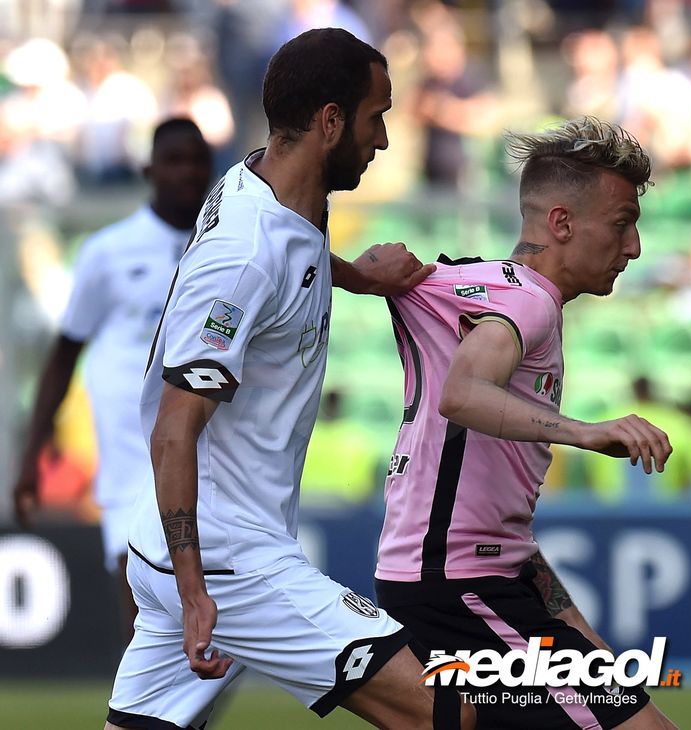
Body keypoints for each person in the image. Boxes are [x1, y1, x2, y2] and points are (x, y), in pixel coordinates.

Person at [104, 30, 473, 730]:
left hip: (174, 544)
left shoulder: (266, 183)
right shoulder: (243, 254)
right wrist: (196, 595)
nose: (386, 140)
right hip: (227, 561)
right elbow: (173, 432)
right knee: (443, 711)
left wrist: (359, 277)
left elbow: (289, 258)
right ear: (330, 121)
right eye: (376, 117)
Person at [374, 116, 678, 729]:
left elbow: (498, 517)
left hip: (464, 577)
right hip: (461, 586)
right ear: (561, 222)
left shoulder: (486, 285)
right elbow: (461, 394)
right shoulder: (528, 301)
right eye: (622, 225)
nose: (635, 247)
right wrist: (586, 431)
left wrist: (580, 638)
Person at [13, 117, 213, 642]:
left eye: (197, 159)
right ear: (148, 169)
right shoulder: (108, 251)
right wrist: (32, 454)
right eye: (174, 160)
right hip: (130, 456)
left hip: (205, 451)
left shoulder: (225, 249)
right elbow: (63, 355)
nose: (188, 171)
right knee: (142, 620)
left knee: (207, 633)